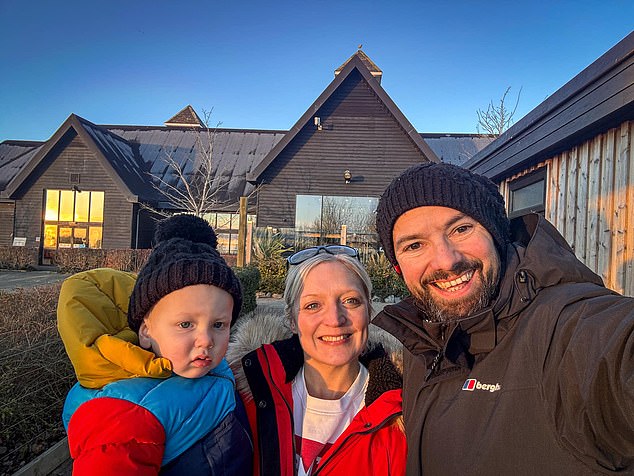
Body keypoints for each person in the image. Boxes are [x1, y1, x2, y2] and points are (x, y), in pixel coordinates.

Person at [372, 162, 634, 475]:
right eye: (415, 245)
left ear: (495, 235)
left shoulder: (567, 328)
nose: (446, 260)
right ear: (398, 266)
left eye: (461, 229)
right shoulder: (424, 344)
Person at [58, 214, 252, 475]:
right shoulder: (121, 416)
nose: (206, 340)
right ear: (146, 331)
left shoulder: (211, 370)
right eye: (186, 325)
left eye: (219, 325)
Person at [227, 245, 406, 476]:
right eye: (313, 305)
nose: (334, 319)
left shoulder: (405, 414)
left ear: (369, 312)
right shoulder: (242, 394)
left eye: (351, 301)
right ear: (292, 320)